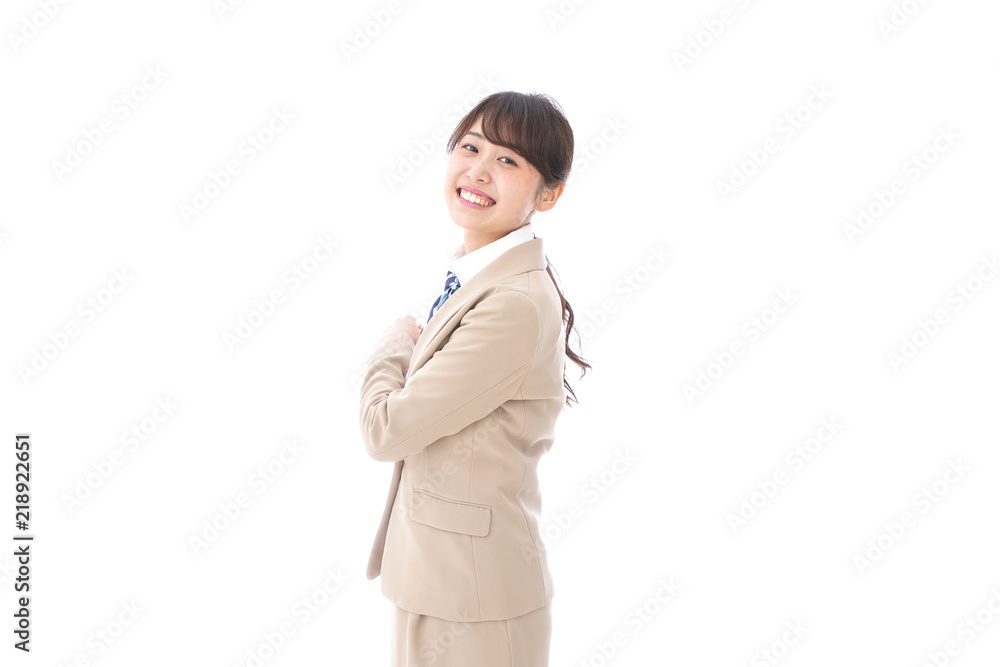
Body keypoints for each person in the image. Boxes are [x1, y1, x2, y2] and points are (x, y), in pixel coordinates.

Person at [359, 90, 591, 666]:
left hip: (474, 602)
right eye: (470, 147)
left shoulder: (512, 303)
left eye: (508, 160)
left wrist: (395, 342)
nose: (479, 171)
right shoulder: (478, 278)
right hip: (436, 581)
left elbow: (386, 431)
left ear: (549, 194)